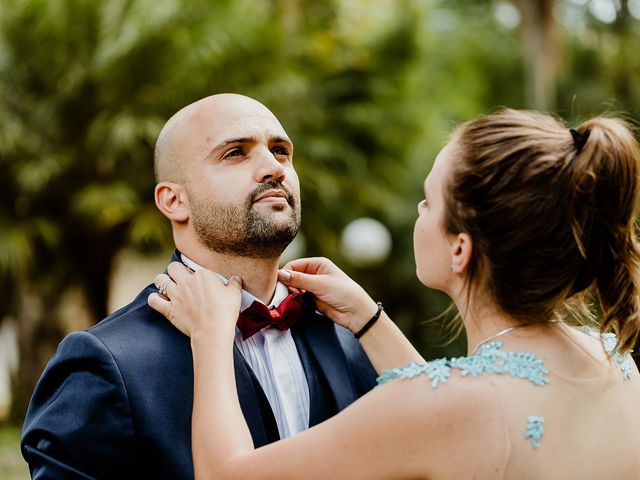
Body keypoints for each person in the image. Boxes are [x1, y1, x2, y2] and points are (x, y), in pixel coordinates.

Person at [150, 108, 640, 479]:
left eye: (429, 201)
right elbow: (463, 411)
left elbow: (226, 475)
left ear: (460, 249)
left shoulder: (444, 406)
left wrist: (211, 338)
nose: (419, 212)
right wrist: (370, 321)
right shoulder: (610, 357)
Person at [21, 93, 377, 479]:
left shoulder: (347, 333)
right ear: (174, 200)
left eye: (281, 151)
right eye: (235, 153)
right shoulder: (105, 363)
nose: (272, 168)